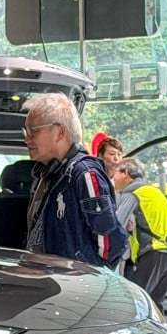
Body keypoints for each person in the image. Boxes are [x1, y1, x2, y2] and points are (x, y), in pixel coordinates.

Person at [22, 92, 126, 267]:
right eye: (26, 131)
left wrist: (87, 277)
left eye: (33, 131)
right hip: (53, 283)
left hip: (76, 288)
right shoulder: (49, 175)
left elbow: (111, 242)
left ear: (60, 132)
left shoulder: (84, 173)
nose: (27, 139)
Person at [113, 157, 167, 310]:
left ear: (126, 173)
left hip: (153, 253)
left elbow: (116, 224)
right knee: (155, 305)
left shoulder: (133, 192)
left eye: (116, 173)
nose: (113, 178)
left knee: (135, 304)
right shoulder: (152, 191)